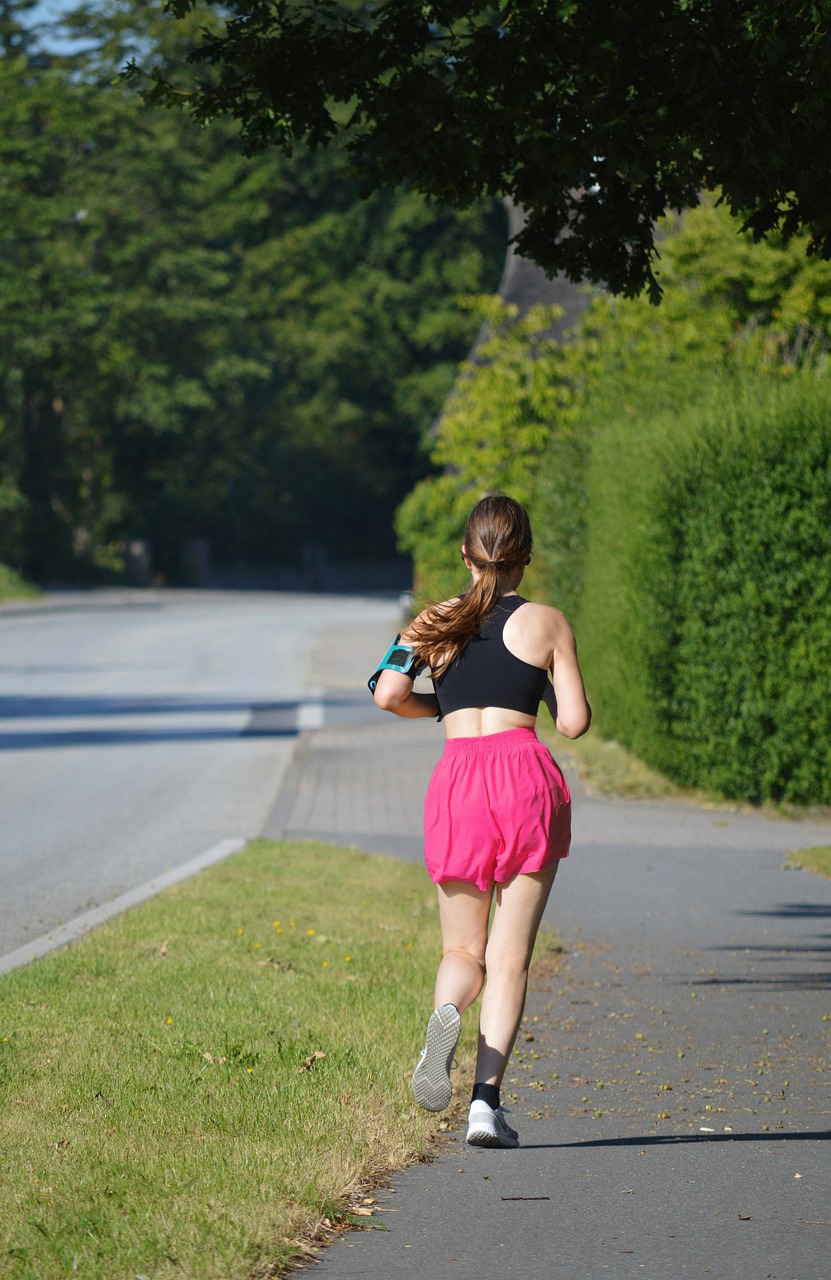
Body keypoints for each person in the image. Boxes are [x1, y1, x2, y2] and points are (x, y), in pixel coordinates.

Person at [371, 492, 591, 1148]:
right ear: (523, 559)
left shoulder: (428, 622)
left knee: (461, 951)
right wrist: (547, 681)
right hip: (524, 779)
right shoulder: (547, 623)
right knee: (509, 956)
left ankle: (446, 1012)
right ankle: (483, 1106)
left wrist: (440, 708)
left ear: (465, 555)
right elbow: (574, 723)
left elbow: (387, 694)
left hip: (458, 780)